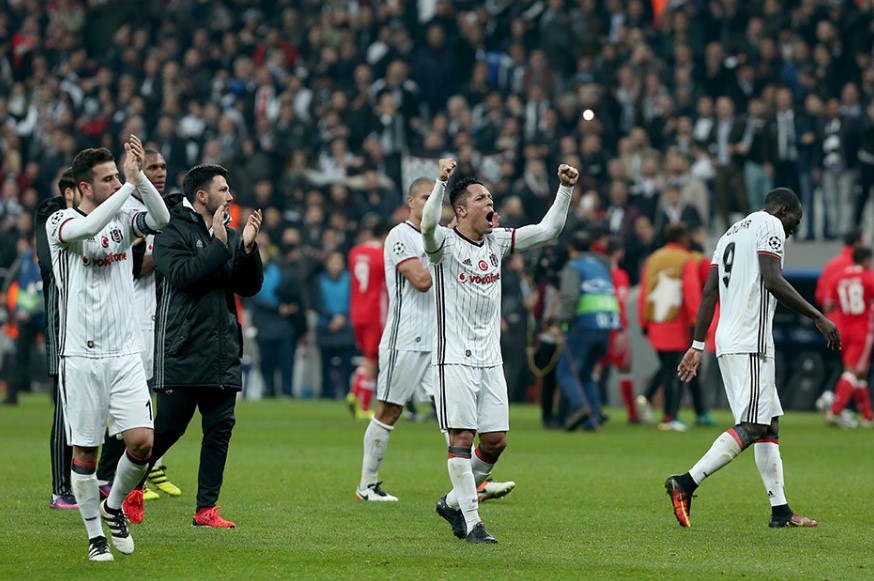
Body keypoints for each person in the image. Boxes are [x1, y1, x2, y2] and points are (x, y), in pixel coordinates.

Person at [423, 158, 578, 544]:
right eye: (480, 198)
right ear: (461, 210)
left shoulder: (496, 241)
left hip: (490, 359)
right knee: (461, 437)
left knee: (495, 442)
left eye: (490, 196)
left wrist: (565, 189)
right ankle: (473, 523)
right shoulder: (442, 242)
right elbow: (426, 224)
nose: (490, 202)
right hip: (454, 356)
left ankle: (452, 503)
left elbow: (548, 230)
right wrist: (441, 182)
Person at [668, 187, 841, 529]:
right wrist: (817, 316)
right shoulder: (770, 226)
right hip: (751, 339)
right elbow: (772, 279)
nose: (793, 228)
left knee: (769, 424)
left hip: (729, 340)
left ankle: (780, 511)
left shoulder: (730, 233)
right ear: (782, 208)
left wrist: (698, 344)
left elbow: (709, 293)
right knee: (755, 425)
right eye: (795, 218)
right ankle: (686, 482)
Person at [355, 177, 516, 503]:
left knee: (457, 418)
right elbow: (422, 280)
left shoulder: (447, 237)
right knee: (389, 410)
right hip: (407, 337)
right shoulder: (401, 236)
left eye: (436, 198)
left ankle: (475, 485)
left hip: (445, 340)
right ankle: (367, 485)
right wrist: (448, 253)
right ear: (411, 202)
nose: (432, 204)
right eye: (426, 198)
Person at [47, 137, 170, 561]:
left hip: (124, 353)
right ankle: (95, 536)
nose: (117, 182)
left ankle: (113, 506)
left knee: (141, 443)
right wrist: (128, 187)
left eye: (117, 175)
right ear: (85, 188)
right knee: (85, 451)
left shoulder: (123, 215)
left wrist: (138, 182)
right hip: (80, 355)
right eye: (108, 178)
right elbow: (87, 229)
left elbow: (161, 216)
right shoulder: (59, 222)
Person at [123, 164, 263, 529]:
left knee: (220, 430)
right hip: (183, 348)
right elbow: (183, 276)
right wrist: (218, 244)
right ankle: (130, 487)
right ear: (202, 196)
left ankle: (206, 509)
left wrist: (246, 249)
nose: (230, 196)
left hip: (222, 349)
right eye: (223, 189)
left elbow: (246, 287)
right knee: (168, 429)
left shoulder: (228, 234)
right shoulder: (169, 229)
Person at [97, 149, 181, 501]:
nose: (159, 172)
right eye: (152, 167)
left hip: (155, 313)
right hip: (129, 313)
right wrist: (170, 253)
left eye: (162, 167)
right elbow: (140, 266)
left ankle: (152, 466)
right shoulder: (126, 209)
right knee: (136, 398)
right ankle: (110, 474)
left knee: (156, 393)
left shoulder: (155, 209)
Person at [35, 169, 76, 509]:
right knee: (66, 403)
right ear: (70, 192)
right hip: (62, 317)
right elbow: (52, 267)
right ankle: (60, 489)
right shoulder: (51, 218)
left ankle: (94, 479)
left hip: (94, 321)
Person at [637, 223, 703, 431]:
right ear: (683, 238)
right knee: (676, 369)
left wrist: (643, 320)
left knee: (667, 367)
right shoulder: (686, 260)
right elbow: (691, 293)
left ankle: (647, 398)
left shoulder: (653, 258)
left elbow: (644, 290)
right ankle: (669, 416)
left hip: (655, 321)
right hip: (676, 323)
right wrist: (697, 320)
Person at [555, 231, 621, 432]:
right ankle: (593, 419)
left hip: (584, 324)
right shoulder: (600, 266)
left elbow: (570, 296)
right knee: (586, 373)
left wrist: (559, 320)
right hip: (606, 325)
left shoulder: (573, 266)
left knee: (566, 372)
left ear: (570, 248)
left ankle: (581, 407)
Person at [822, 246, 874, 428]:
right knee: (852, 371)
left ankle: (868, 416)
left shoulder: (839, 277)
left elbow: (828, 304)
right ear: (866, 260)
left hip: (844, 330)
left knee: (859, 372)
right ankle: (835, 411)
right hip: (863, 331)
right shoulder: (869, 277)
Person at [347, 218, 388, 419]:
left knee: (366, 355)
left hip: (356, 311)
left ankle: (354, 392)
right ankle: (363, 405)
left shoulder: (354, 253)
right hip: (374, 312)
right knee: (373, 358)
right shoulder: (383, 255)